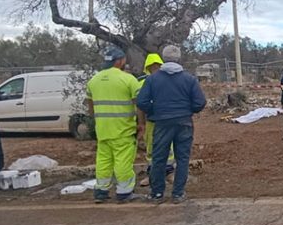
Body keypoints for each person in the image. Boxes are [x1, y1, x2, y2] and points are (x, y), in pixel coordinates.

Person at [136, 45, 207, 204]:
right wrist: (188, 110)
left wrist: (154, 112)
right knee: (182, 158)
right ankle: (178, 194)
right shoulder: (189, 79)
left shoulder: (152, 79)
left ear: (164, 59)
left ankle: (157, 194)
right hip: (184, 122)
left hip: (161, 123)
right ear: (178, 58)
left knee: (159, 158)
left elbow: (141, 102)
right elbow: (200, 102)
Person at [86, 46, 145, 204]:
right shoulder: (128, 79)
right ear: (120, 61)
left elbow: (90, 105)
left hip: (103, 129)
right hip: (123, 128)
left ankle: (101, 191)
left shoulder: (94, 80)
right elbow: (138, 103)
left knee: (104, 160)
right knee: (123, 160)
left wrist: (96, 121)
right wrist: (141, 124)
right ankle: (124, 192)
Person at [137, 53, 174, 187]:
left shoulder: (169, 79)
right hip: (151, 121)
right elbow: (139, 105)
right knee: (151, 147)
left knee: (168, 147)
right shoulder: (141, 82)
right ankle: (152, 174)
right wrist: (141, 123)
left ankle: (169, 173)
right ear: (148, 67)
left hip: (166, 119)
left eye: (157, 66)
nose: (155, 68)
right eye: (153, 66)